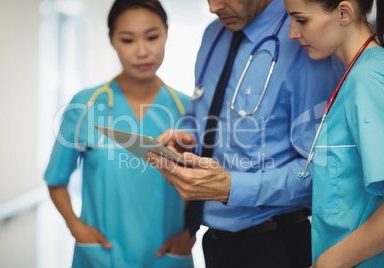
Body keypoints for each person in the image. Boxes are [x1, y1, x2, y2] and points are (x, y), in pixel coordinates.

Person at [146, 0, 344, 267]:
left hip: (274, 244)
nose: (213, 7)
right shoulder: (213, 34)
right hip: (215, 242)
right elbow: (198, 112)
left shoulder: (306, 39)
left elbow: (324, 170)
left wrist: (232, 187)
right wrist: (186, 137)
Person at [44, 0, 195, 267]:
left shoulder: (188, 109)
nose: (142, 52)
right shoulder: (85, 105)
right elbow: (56, 180)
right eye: (127, 40)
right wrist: (76, 228)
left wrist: (190, 234)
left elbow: (208, 183)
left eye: (152, 37)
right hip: (102, 255)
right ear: (112, 40)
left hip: (166, 255)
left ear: (166, 33)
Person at [284, 0, 384, 267]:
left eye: (301, 20)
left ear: (344, 12)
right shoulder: (356, 73)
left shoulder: (369, 78)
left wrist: (329, 262)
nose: (292, 33)